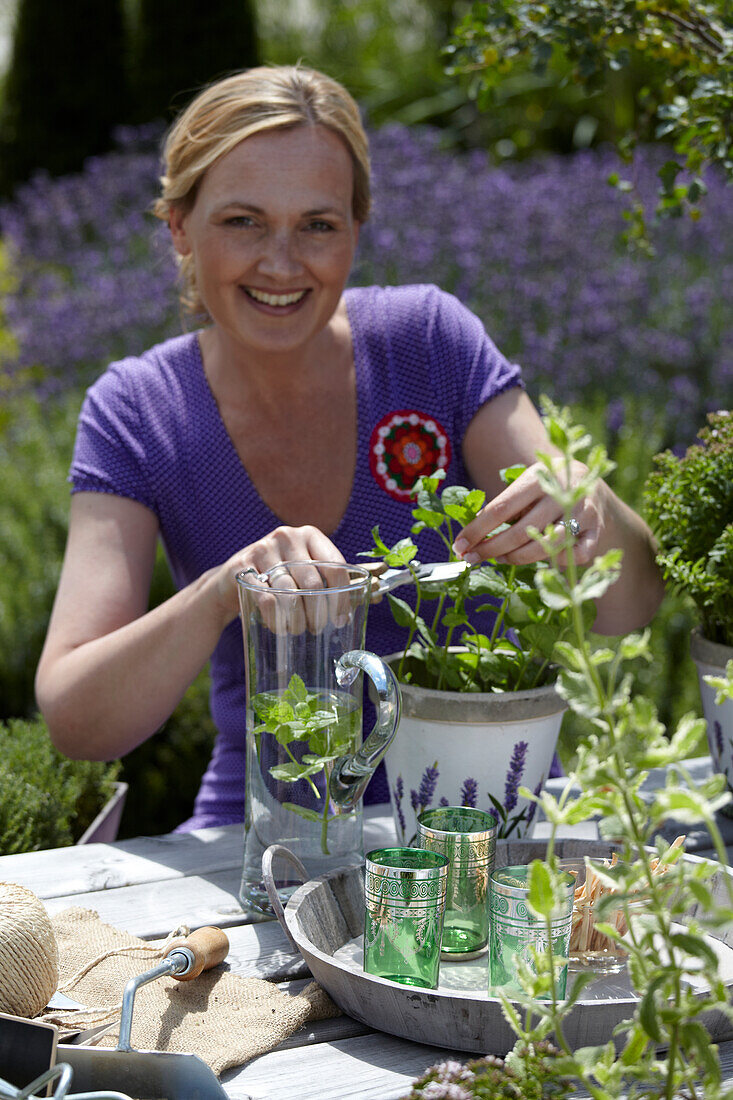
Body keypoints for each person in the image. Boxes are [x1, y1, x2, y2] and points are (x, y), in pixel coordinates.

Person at [34, 65, 665, 829]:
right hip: (268, 835)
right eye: (242, 221)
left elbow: (628, 607)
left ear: (356, 231)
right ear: (178, 227)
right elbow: (76, 720)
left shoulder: (430, 341)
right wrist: (219, 594)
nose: (280, 261)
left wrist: (587, 505)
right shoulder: (136, 409)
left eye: (318, 225)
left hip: (488, 817)